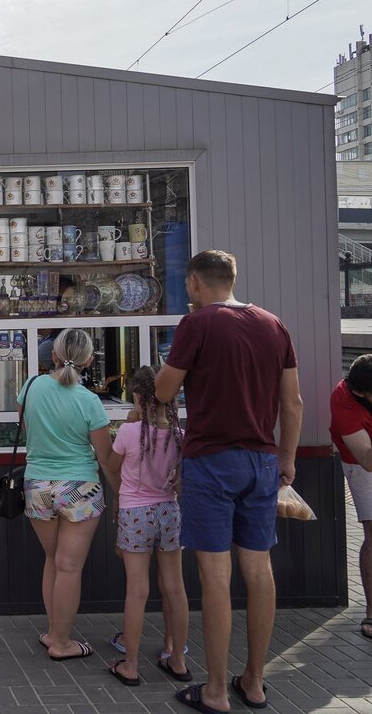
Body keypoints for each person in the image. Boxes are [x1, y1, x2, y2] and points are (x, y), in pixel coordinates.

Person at [155, 249, 302, 714]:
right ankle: (255, 682)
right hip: (261, 461)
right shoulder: (273, 324)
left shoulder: (196, 325)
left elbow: (163, 390)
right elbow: (293, 402)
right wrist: (288, 460)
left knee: (215, 576)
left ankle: (216, 690)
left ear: (196, 283)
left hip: (210, 461)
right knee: (259, 571)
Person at [20, 328, 120, 661]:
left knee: (53, 560)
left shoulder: (31, 387)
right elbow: (105, 457)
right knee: (68, 567)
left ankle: (53, 632)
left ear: (54, 354)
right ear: (90, 359)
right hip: (79, 489)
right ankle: (62, 643)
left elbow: (27, 427)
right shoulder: (90, 401)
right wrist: (121, 496)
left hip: (37, 486)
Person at [102, 366, 190, 687]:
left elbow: (112, 466)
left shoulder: (128, 433)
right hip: (169, 511)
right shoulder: (180, 436)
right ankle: (177, 660)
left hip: (135, 513)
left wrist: (128, 424)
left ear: (138, 398)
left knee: (137, 591)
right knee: (175, 588)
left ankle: (131, 665)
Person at [327, 355, 372, 641]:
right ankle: (371, 611)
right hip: (362, 465)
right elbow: (367, 459)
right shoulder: (343, 401)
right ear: (361, 392)